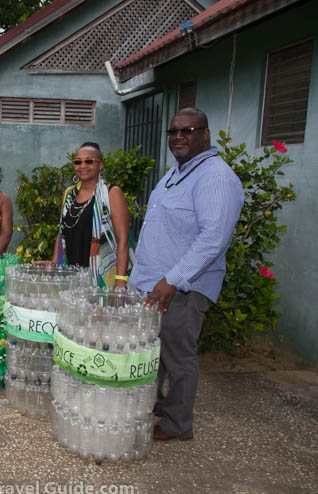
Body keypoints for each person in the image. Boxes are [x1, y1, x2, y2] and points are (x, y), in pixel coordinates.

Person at [130, 108, 244, 441]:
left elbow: (213, 238)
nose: (179, 136)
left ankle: (177, 424)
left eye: (188, 130)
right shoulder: (176, 173)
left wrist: (173, 279)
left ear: (205, 134)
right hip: (155, 285)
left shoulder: (216, 177)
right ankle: (159, 408)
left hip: (182, 289)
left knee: (178, 357)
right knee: (155, 355)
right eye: (173, 131)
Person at [43, 142, 131, 288]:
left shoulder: (111, 193)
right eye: (78, 162)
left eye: (89, 161)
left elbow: (123, 240)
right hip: (70, 273)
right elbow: (61, 233)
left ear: (100, 165)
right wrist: (54, 264)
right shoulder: (69, 194)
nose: (83, 166)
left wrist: (120, 281)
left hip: (101, 273)